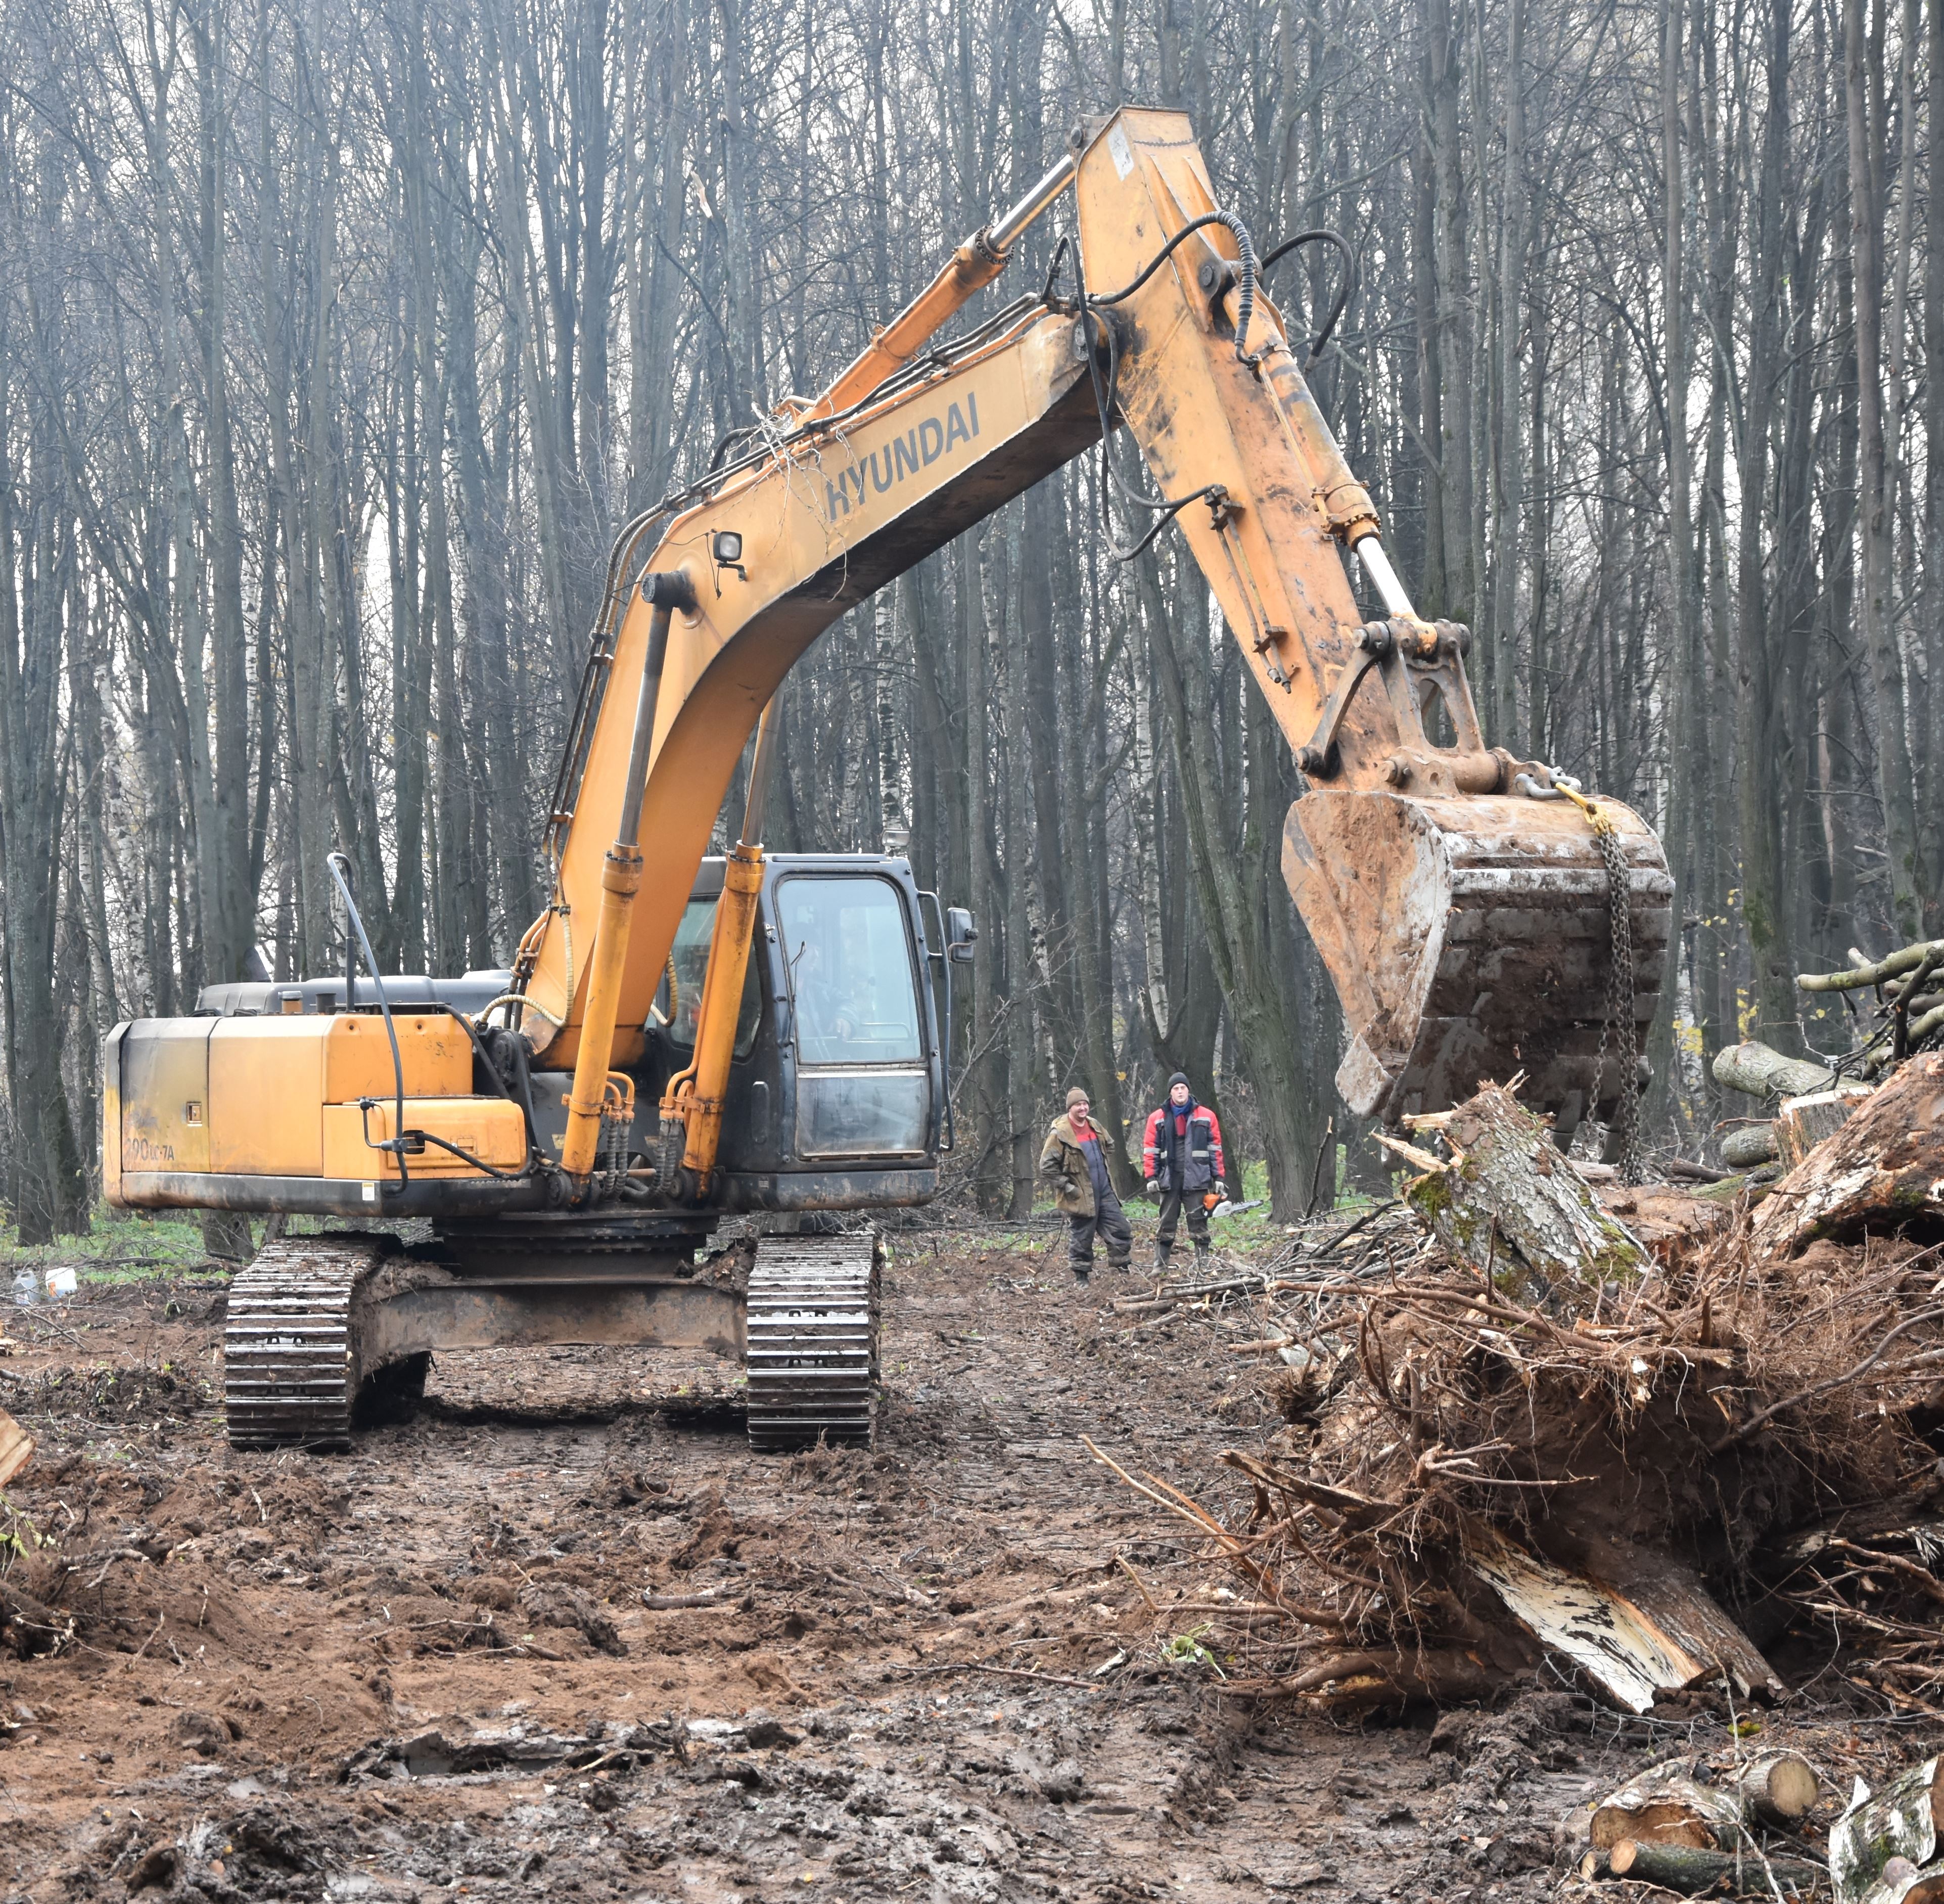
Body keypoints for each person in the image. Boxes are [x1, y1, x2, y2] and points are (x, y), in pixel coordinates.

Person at [1038, 1085, 1132, 1284]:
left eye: (1085, 1104)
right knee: (1082, 1237)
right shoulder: (1061, 1133)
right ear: (1070, 1108)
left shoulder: (1095, 1125)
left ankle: (1121, 1272)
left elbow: (1110, 1145)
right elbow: (1046, 1166)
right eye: (1078, 1105)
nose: (1082, 1108)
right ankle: (1082, 1278)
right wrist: (1067, 1186)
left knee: (1120, 1229)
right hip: (1080, 1194)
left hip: (1105, 1190)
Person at [1142, 1072, 1227, 1270]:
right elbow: (1150, 1149)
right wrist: (1151, 1176)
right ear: (1170, 1092)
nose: (1180, 1092)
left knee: (1199, 1221)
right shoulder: (1157, 1118)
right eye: (1176, 1089)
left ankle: (1202, 1266)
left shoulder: (1207, 1116)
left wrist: (1219, 1177)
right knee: (1166, 1222)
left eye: (1183, 1088)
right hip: (1169, 1178)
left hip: (1197, 1177)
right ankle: (1160, 1266)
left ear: (1188, 1090)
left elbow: (1215, 1149)